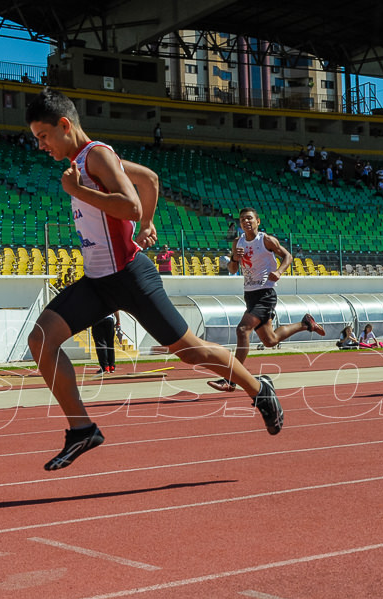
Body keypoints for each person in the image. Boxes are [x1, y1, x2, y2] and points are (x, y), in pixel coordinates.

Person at [24, 89, 282, 471]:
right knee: (40, 340)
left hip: (129, 275)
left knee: (191, 352)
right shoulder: (87, 159)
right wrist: (146, 223)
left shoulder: (96, 155)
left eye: (43, 136)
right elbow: (149, 178)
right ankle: (82, 429)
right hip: (97, 281)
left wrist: (81, 193)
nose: (40, 145)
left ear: (64, 125)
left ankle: (260, 389)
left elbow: (129, 202)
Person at [206, 207, 326, 392]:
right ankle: (305, 324)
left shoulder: (266, 240)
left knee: (242, 329)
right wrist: (234, 258)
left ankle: (231, 379)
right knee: (270, 340)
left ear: (257, 221)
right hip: (250, 294)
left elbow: (288, 256)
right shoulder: (238, 242)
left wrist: (279, 272)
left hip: (265, 294)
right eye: (242, 219)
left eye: (249, 218)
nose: (246, 222)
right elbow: (232, 269)